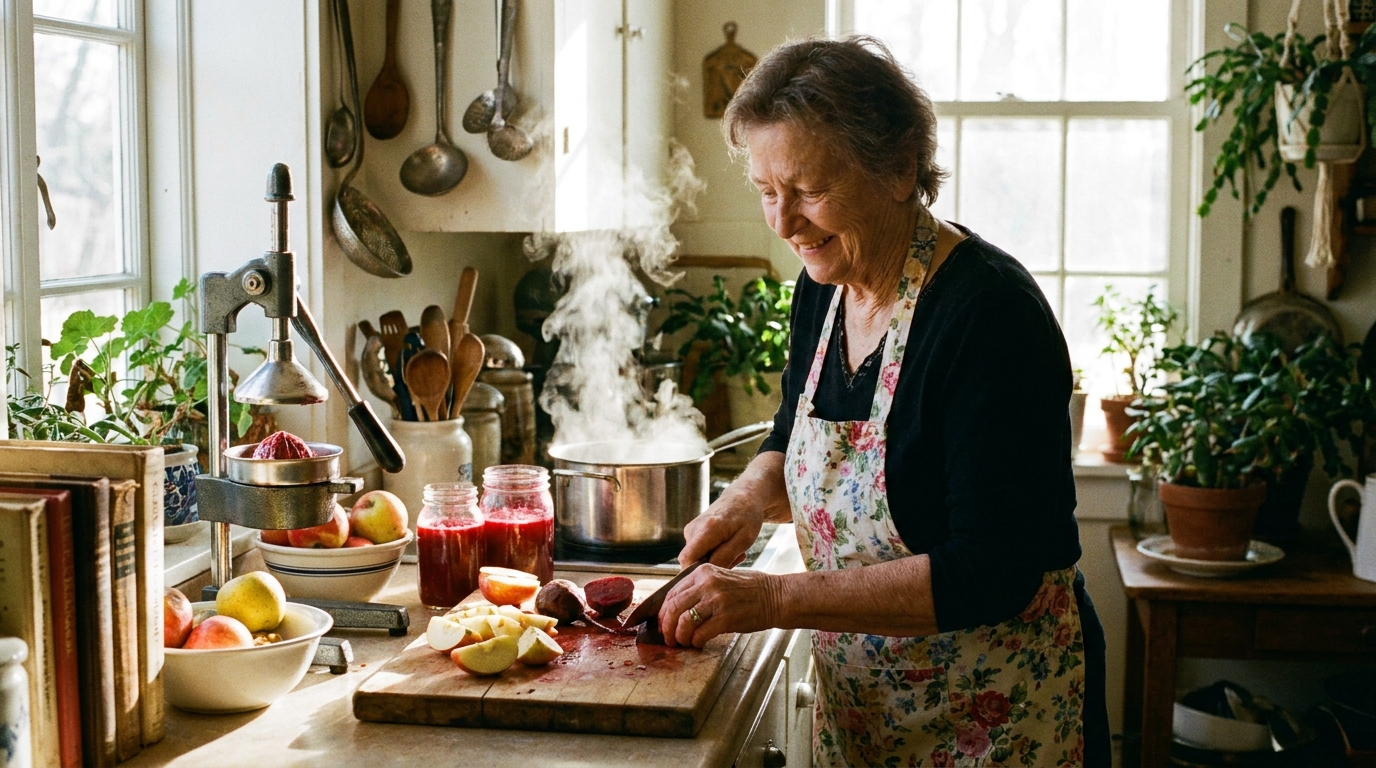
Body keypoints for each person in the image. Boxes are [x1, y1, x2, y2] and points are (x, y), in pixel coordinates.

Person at [657, 36, 1111, 767]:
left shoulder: (989, 316)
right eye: (767, 192)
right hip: (866, 715)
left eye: (807, 191)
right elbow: (790, 435)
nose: (783, 223)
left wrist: (774, 600)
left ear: (900, 169)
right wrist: (744, 500)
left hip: (998, 724)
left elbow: (991, 571)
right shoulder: (823, 286)